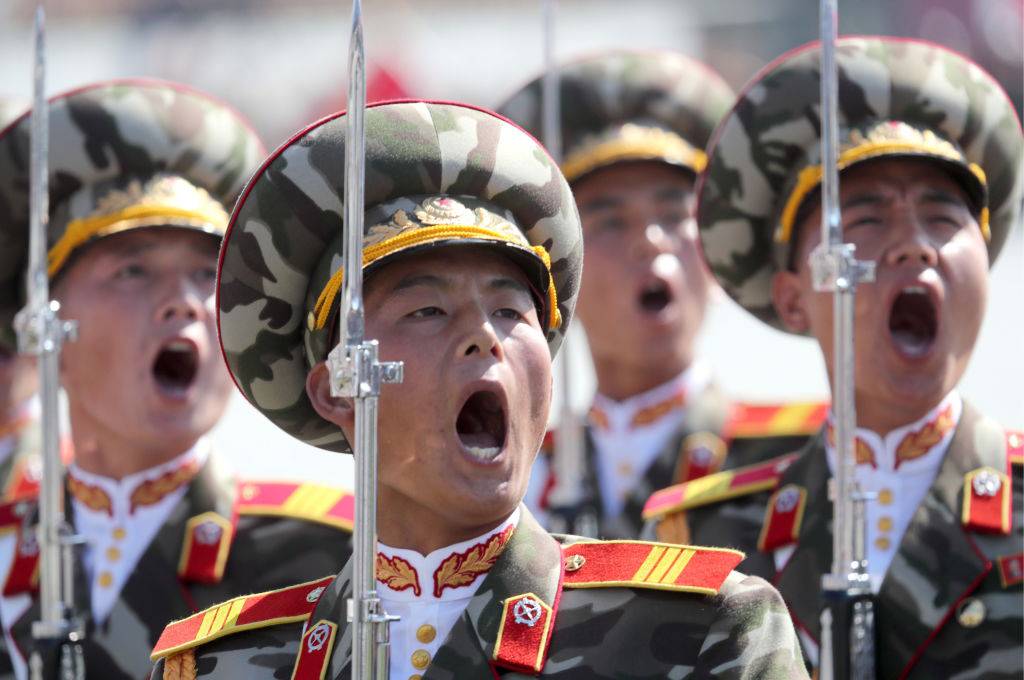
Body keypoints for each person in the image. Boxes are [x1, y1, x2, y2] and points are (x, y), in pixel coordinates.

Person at [148, 99, 808, 680]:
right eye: (426, 311)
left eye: (510, 312)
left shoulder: (704, 635)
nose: (484, 337)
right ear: (338, 391)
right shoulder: (219, 666)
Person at [643, 37, 1023, 678]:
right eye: (867, 220)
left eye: (942, 216)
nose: (914, 247)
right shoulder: (706, 538)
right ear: (793, 298)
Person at [0, 80, 355, 679]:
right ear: (45, 320)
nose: (183, 303)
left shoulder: (323, 558)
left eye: (204, 273)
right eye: (133, 270)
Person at [498, 51, 826, 539]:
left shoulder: (801, 459)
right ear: (556, 278)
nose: (649, 240)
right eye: (610, 221)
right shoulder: (516, 482)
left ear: (715, 260)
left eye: (675, 215)